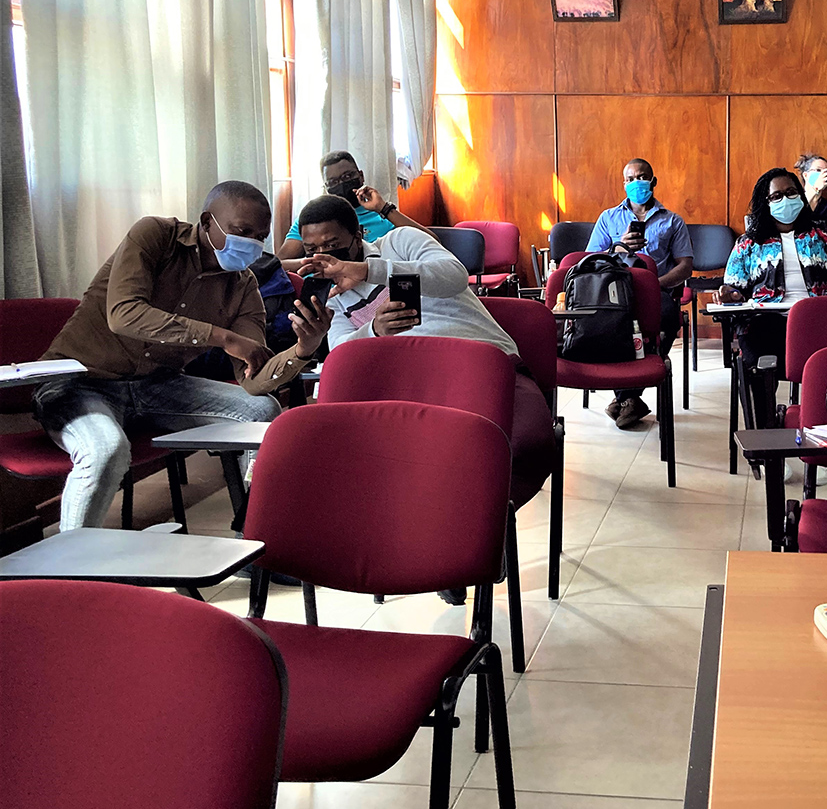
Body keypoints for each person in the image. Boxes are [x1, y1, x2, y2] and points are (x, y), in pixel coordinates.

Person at [34, 181, 332, 531]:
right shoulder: (155, 236)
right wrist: (221, 337)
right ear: (207, 222)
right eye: (241, 231)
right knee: (106, 449)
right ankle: (71, 576)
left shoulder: (243, 285)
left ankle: (257, 540)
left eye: (260, 236)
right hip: (80, 381)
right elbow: (124, 314)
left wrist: (302, 350)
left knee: (263, 410)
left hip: (155, 385)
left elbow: (253, 380)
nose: (251, 244)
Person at [293, 194, 556, 516]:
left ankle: (474, 524)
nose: (323, 258)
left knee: (524, 444)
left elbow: (453, 275)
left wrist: (367, 271)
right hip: (410, 384)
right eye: (311, 250)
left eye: (332, 246)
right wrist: (374, 331)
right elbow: (342, 353)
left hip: (479, 362)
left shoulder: (399, 243)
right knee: (360, 464)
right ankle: (431, 526)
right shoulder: (330, 297)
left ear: (359, 234)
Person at [718, 167, 827, 418]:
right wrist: (731, 295)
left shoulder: (826, 233)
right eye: (777, 196)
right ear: (765, 202)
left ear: (801, 196)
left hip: (818, 320)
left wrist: (821, 304)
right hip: (766, 322)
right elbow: (734, 287)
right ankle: (765, 437)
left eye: (791, 192)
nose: (786, 199)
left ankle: (825, 426)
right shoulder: (749, 242)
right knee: (755, 365)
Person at [584, 158, 694, 428]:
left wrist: (655, 285)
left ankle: (626, 397)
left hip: (657, 292)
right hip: (614, 294)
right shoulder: (608, 218)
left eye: (642, 177)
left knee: (668, 319)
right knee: (612, 324)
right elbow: (589, 259)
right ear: (624, 184)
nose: (637, 183)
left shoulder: (673, 221)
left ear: (653, 181)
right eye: (631, 179)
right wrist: (618, 247)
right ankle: (630, 397)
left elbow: (685, 266)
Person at [276, 151, 434, 260]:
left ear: (361, 176)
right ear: (326, 188)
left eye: (347, 176)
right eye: (333, 182)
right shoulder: (314, 219)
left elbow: (431, 242)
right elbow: (281, 263)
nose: (342, 184)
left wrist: (383, 208)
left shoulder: (381, 214)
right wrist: (313, 265)